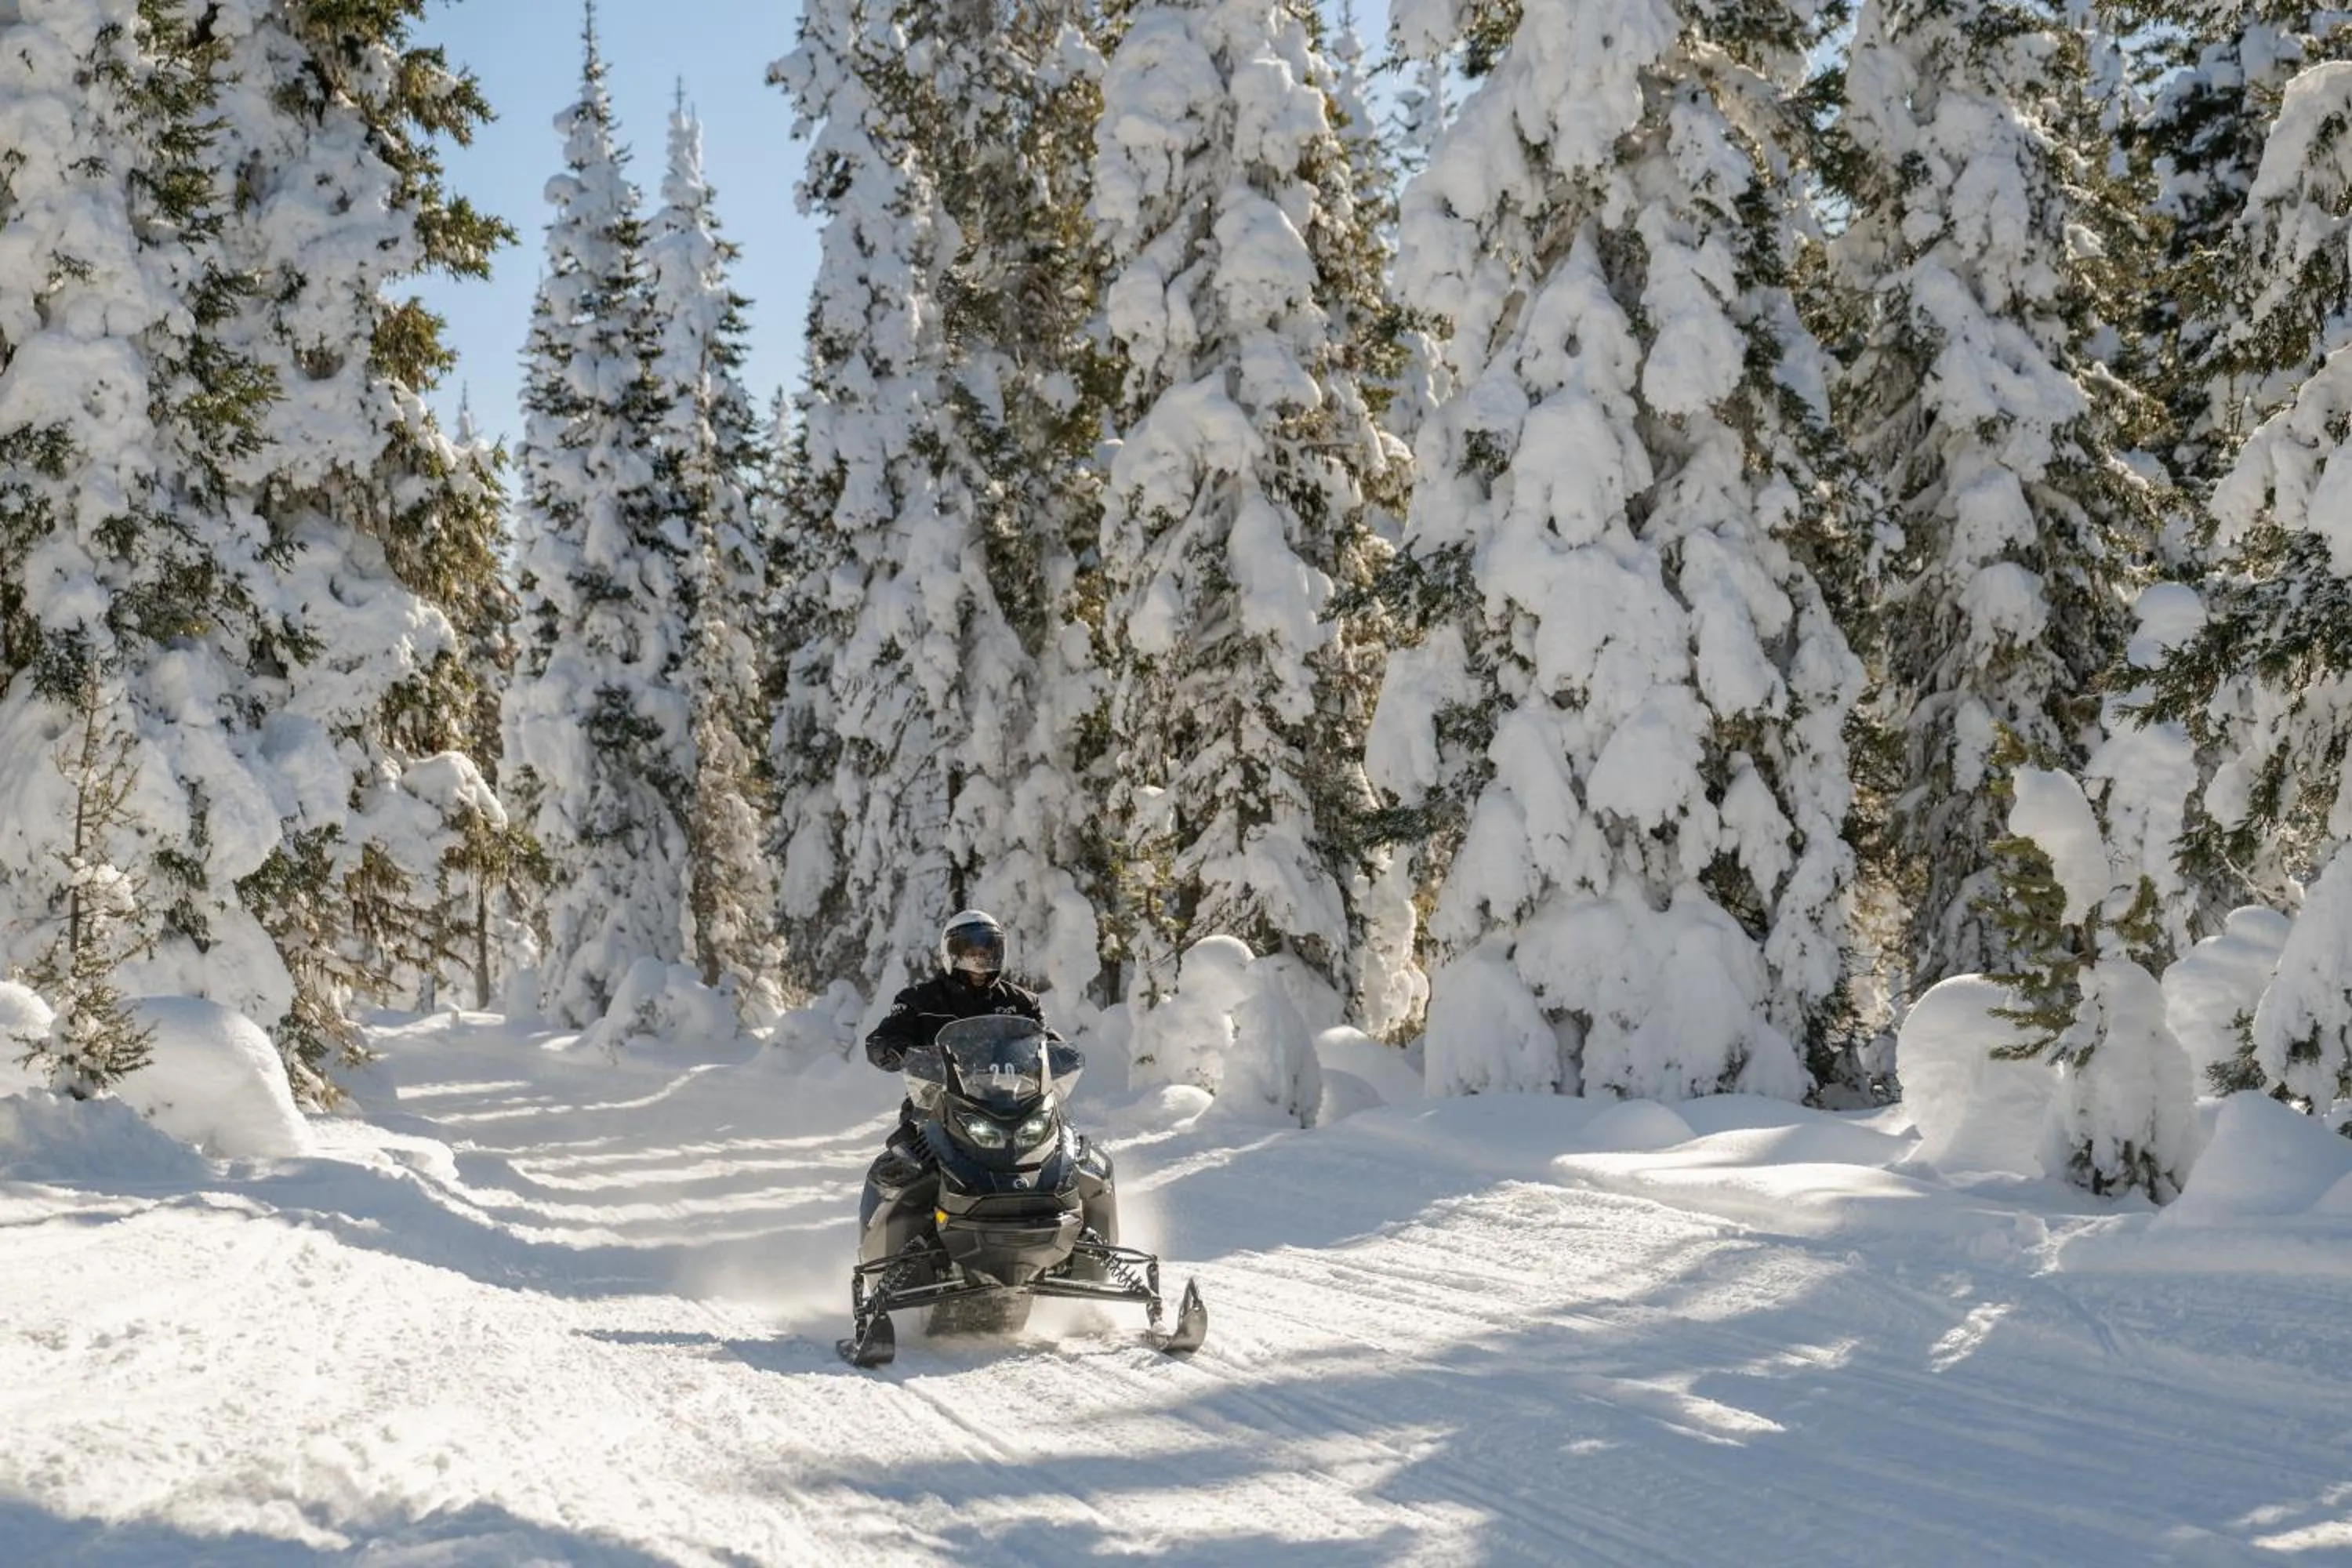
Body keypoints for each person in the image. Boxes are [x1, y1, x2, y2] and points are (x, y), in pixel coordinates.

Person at [865, 909, 1044, 1156]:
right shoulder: (920, 1001)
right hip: (934, 1107)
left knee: (1069, 1150)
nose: (980, 963)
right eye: (971, 955)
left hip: (1011, 1105)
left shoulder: (1021, 1003)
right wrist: (896, 1050)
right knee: (902, 1164)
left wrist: (1059, 1053)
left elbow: (1043, 1041)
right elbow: (881, 1038)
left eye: (986, 954)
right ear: (952, 955)